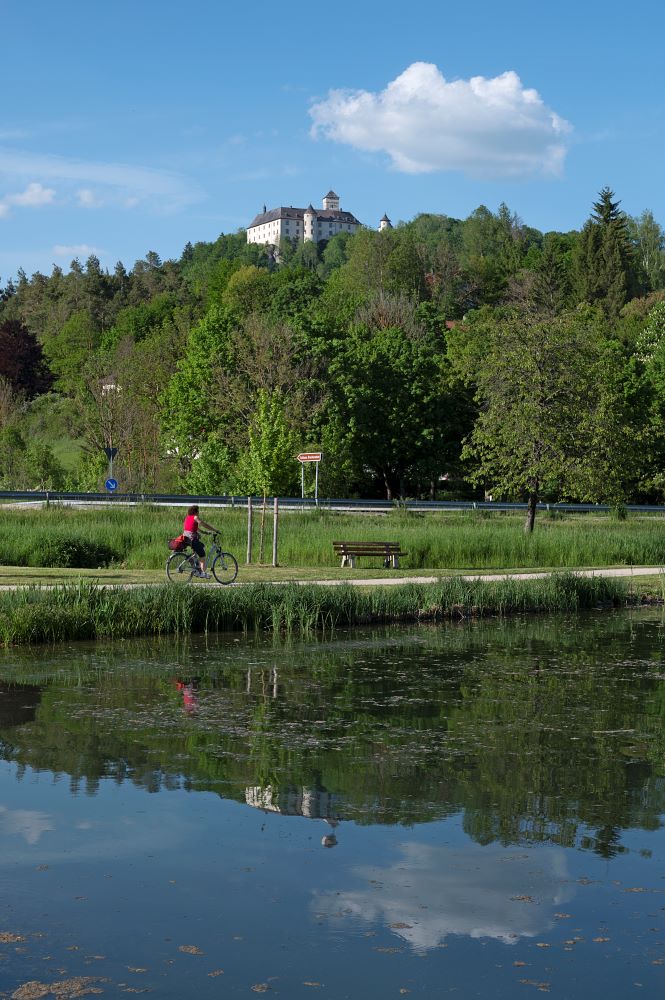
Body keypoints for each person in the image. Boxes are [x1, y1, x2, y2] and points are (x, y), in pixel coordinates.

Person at [182, 504, 217, 577]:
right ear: (195, 511)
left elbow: (194, 528)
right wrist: (214, 529)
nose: (199, 512)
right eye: (198, 511)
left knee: (202, 546)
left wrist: (204, 532)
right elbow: (203, 524)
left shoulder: (188, 517)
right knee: (203, 555)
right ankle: (202, 573)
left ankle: (196, 569)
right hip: (192, 539)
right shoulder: (195, 517)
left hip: (186, 538)